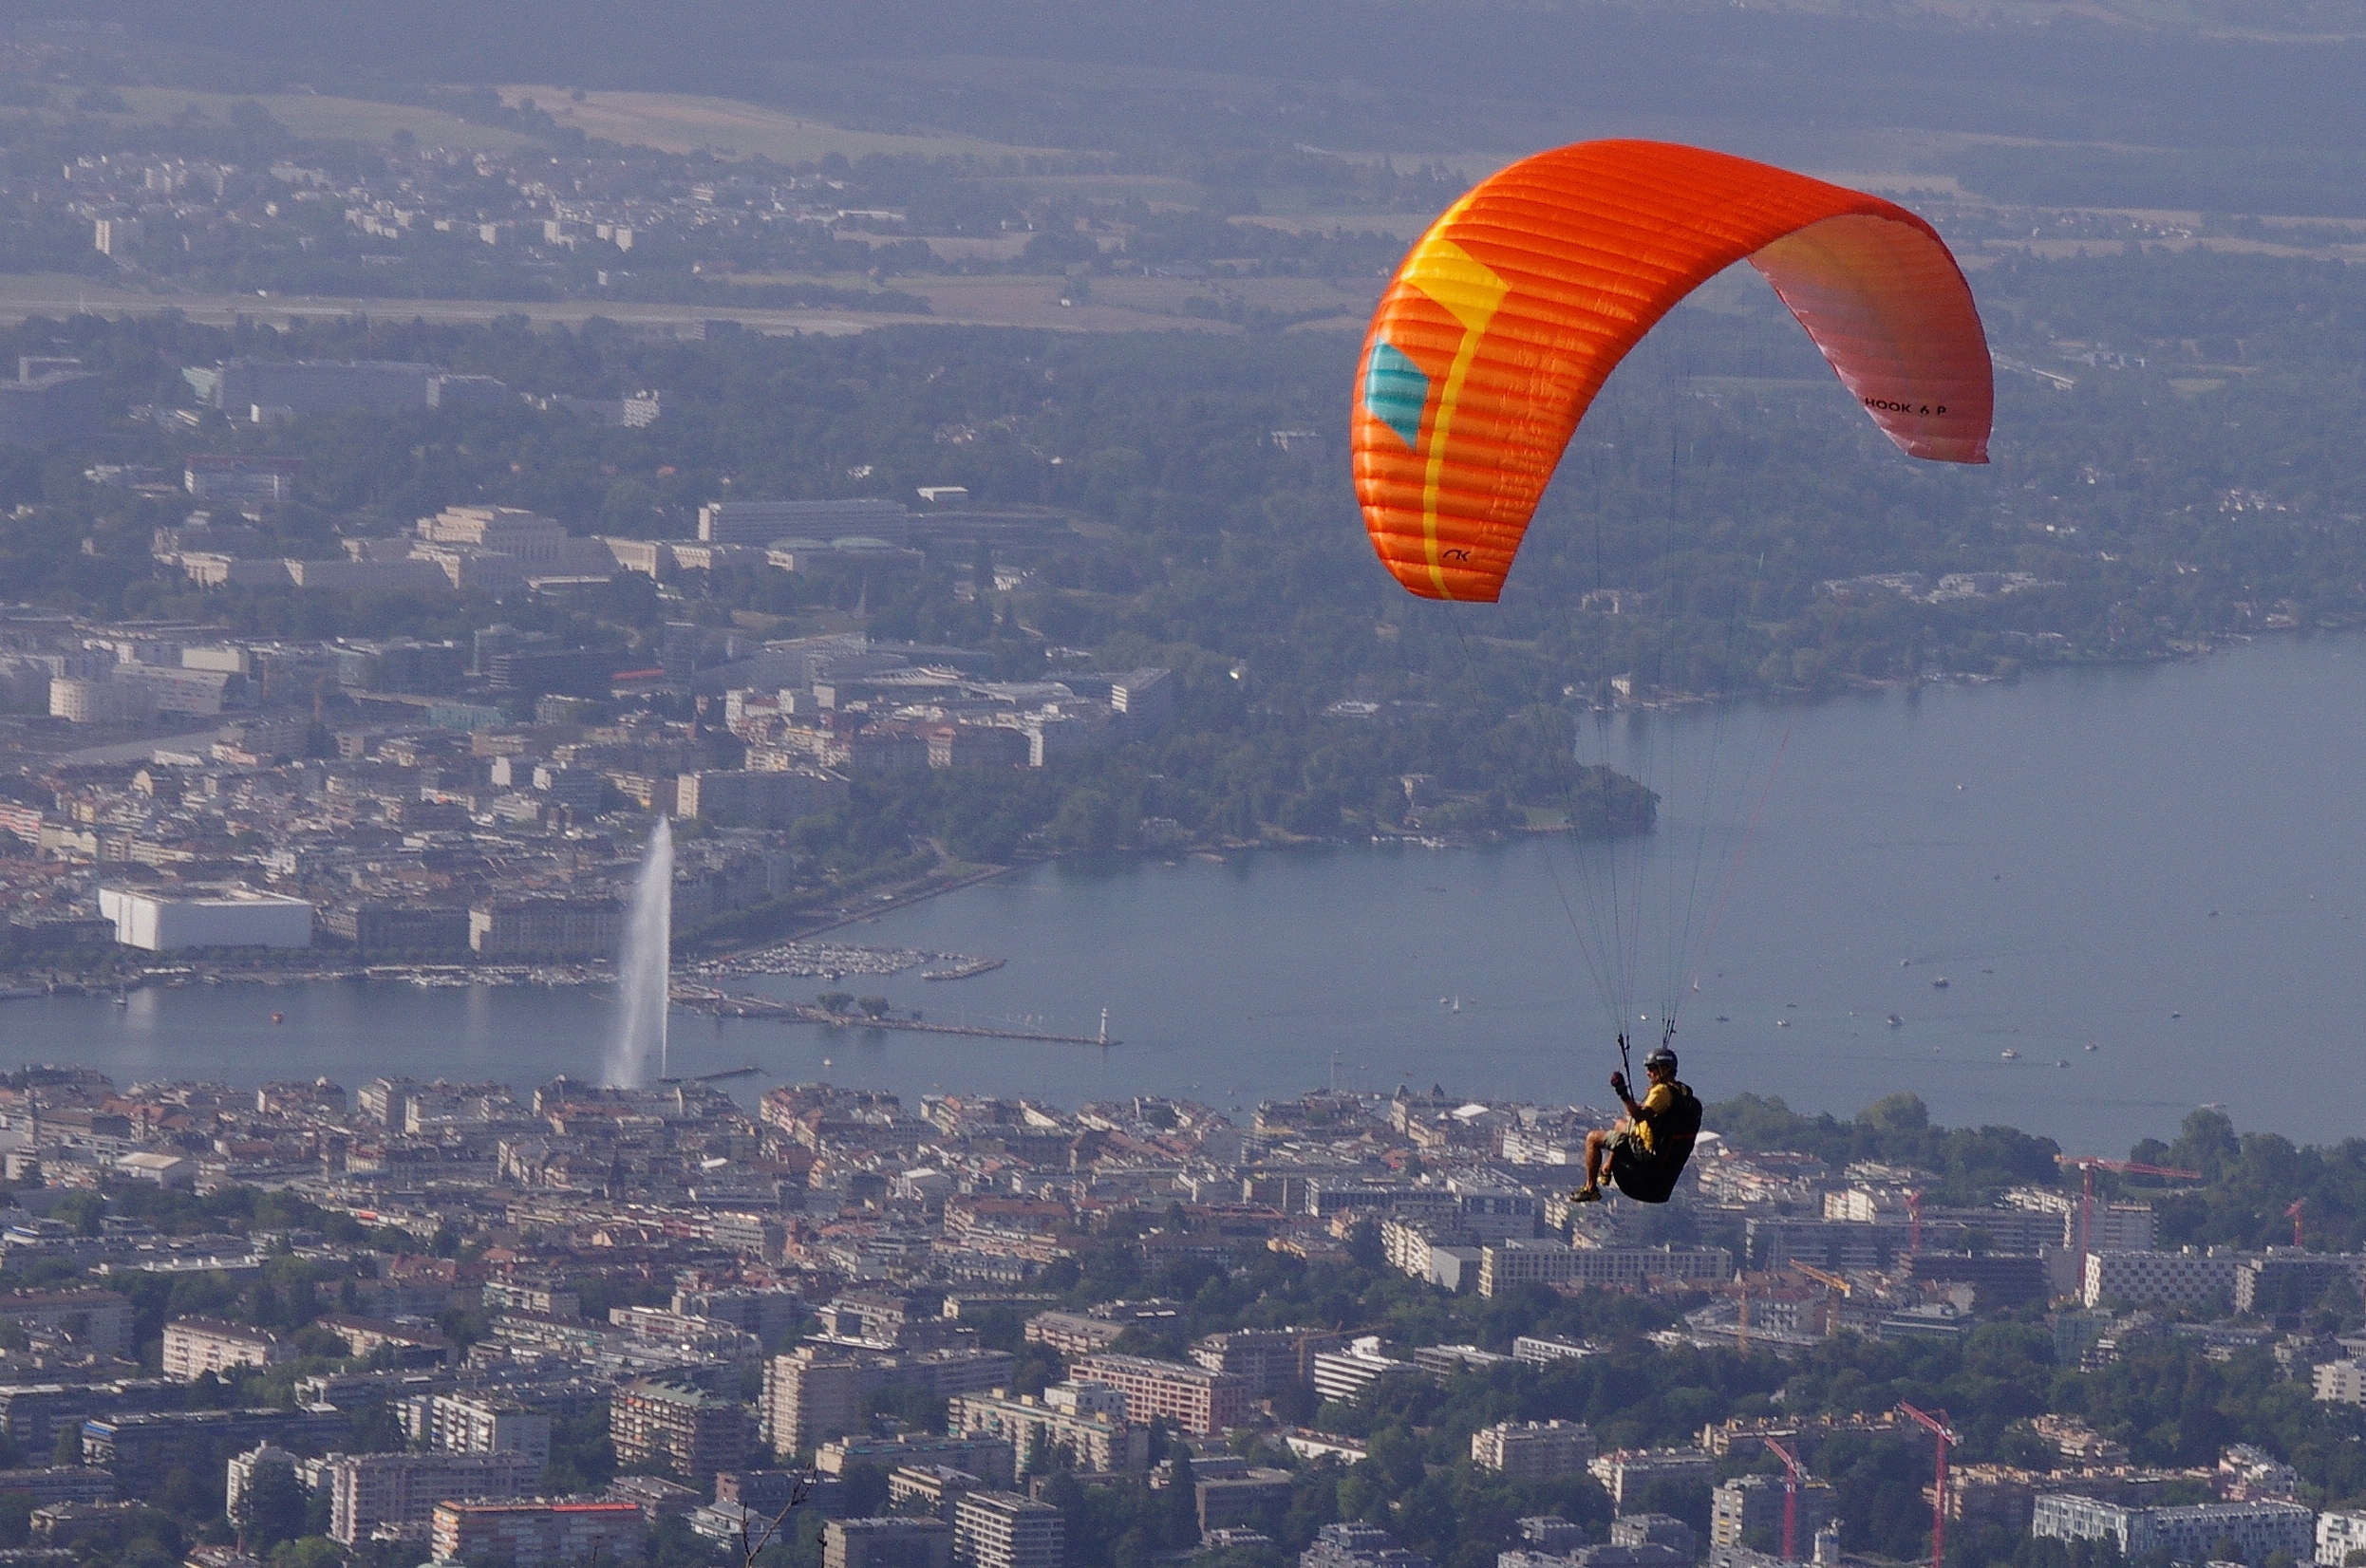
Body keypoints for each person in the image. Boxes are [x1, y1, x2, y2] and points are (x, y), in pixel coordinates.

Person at [1572, 1043, 1699, 1204]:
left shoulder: (1661, 1092)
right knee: (1620, 1124)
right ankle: (1606, 1169)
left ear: (1664, 1069)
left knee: (1592, 1138)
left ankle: (1590, 1189)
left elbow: (1639, 1116)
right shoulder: (1682, 1090)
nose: (1648, 1073)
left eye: (1652, 1068)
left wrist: (1622, 1091)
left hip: (1644, 1150)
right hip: (1658, 1141)